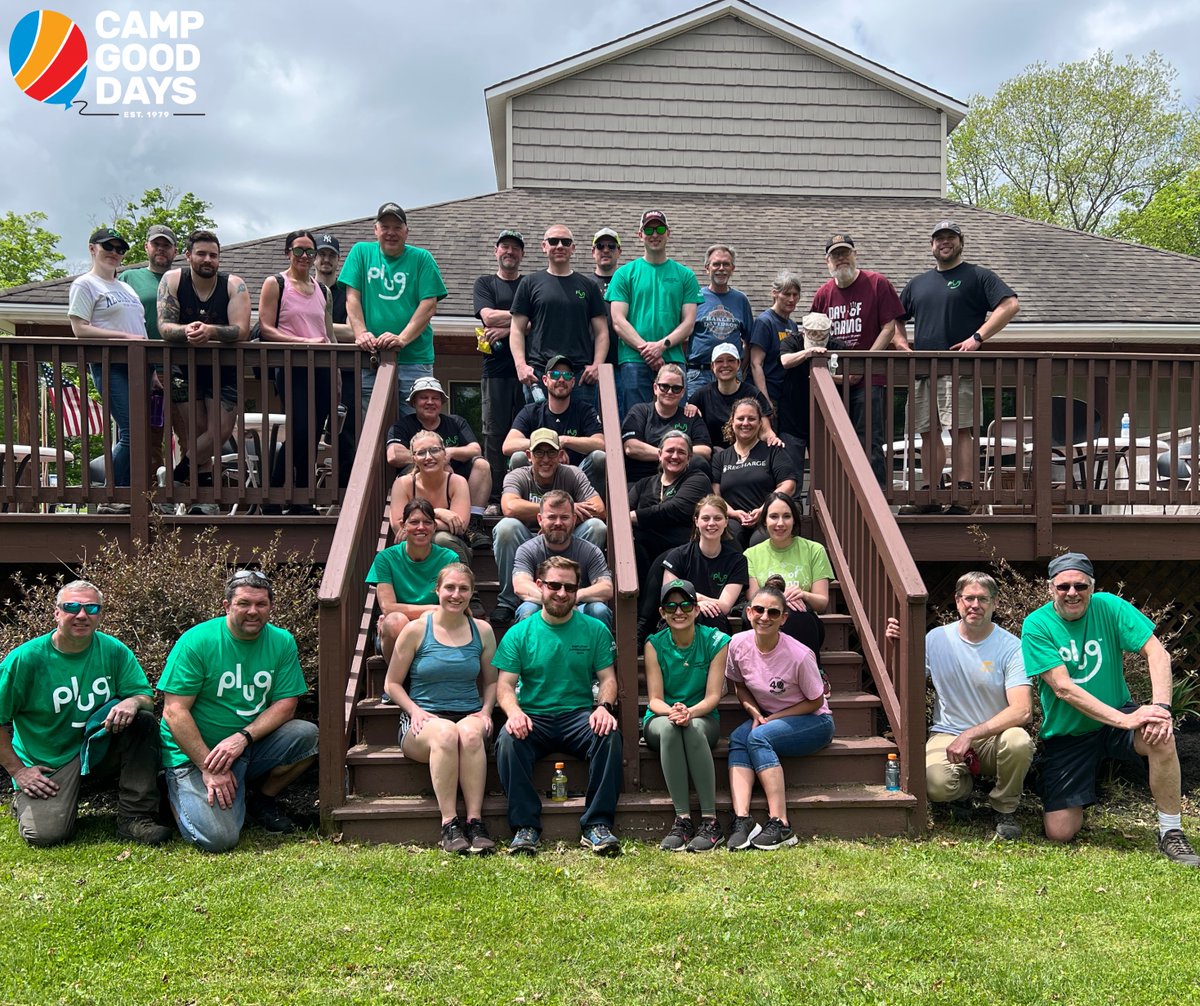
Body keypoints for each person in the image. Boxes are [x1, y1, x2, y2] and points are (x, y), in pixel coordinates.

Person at [1021, 552, 1199, 865]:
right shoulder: (1037, 625)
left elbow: (1158, 655)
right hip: (1069, 733)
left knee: (1161, 735)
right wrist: (1127, 719)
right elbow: (1063, 688)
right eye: (1063, 587)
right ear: (1051, 589)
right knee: (1060, 832)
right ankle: (1071, 792)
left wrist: (1160, 708)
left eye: (1080, 586)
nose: (1072, 593)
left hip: (1118, 716)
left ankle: (1171, 832)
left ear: (1091, 587)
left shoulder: (1109, 606)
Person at [0, 580, 170, 847]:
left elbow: (144, 697)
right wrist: (19, 771)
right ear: (57, 613)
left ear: (100, 614)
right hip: (49, 763)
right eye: (72, 607)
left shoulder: (113, 650)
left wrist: (133, 702)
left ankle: (135, 818)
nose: (82, 615)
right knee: (47, 835)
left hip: (97, 749)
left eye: (91, 608)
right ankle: (25, 800)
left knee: (142, 721)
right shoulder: (25, 660)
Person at [159, 570, 319, 852]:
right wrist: (208, 766)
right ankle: (173, 792)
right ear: (226, 606)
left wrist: (242, 737)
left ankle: (261, 798)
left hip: (246, 747)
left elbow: (286, 704)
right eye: (243, 603)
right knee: (219, 838)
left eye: (261, 604)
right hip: (194, 753)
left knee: (307, 736)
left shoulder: (281, 641)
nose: (253, 611)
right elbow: (174, 712)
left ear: (271, 607)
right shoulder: (197, 641)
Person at [885, 572, 1034, 840]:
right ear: (957, 602)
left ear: (995, 603)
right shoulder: (935, 639)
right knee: (935, 783)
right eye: (969, 598)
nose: (975, 604)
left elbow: (1022, 710)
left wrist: (971, 735)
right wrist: (897, 648)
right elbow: (907, 684)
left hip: (994, 737)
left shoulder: (1012, 647)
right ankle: (963, 793)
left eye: (982, 599)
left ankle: (1005, 808)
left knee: (1019, 742)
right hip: (947, 733)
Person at [494, 556, 622, 856]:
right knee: (507, 741)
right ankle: (525, 828)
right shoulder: (519, 633)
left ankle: (597, 826)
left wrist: (603, 707)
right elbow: (504, 686)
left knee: (609, 736)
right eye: (554, 585)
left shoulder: (595, 629)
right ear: (540, 586)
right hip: (533, 716)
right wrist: (514, 713)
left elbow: (608, 679)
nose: (562, 593)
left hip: (578, 716)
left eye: (569, 587)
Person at [899, 220, 1021, 511]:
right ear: (932, 245)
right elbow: (895, 319)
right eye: (939, 238)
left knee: (960, 428)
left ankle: (964, 492)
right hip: (923, 369)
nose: (945, 242)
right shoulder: (918, 284)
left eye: (950, 237)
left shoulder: (976, 276)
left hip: (960, 367)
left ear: (960, 242)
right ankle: (931, 492)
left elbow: (1010, 305)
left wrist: (977, 337)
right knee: (926, 431)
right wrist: (903, 347)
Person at [383, 563, 498, 854]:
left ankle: (475, 822)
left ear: (472, 593)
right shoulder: (416, 630)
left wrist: (486, 711)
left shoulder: (482, 631)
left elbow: (492, 682)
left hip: (469, 713)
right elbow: (392, 684)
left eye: (463, 589)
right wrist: (414, 711)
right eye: (449, 587)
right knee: (446, 733)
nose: (455, 594)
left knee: (470, 734)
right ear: (437, 590)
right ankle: (449, 824)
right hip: (424, 720)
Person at [725, 575, 834, 851]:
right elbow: (738, 684)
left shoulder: (800, 655)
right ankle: (742, 819)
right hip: (766, 716)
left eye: (773, 612)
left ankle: (781, 824)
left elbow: (815, 700)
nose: (765, 617)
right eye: (758, 610)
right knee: (739, 737)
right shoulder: (738, 643)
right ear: (748, 612)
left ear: (783, 618)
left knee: (759, 738)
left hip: (814, 720)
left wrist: (771, 720)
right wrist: (752, 712)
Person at [157, 229, 252, 512]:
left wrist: (210, 330)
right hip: (183, 368)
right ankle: (202, 501)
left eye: (213, 255)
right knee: (195, 431)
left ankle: (174, 478)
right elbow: (164, 326)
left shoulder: (233, 285)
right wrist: (187, 330)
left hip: (224, 369)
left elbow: (242, 330)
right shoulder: (173, 280)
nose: (207, 259)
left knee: (220, 432)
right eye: (201, 254)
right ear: (188, 256)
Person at [810, 233, 905, 489]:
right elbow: (814, 335)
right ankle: (839, 495)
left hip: (869, 379)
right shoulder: (823, 294)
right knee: (833, 440)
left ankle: (877, 498)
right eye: (835, 255)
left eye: (845, 253)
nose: (841, 259)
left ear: (855, 254)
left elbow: (889, 327)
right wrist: (834, 375)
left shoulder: (877, 283)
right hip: (833, 381)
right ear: (827, 261)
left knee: (869, 440)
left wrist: (864, 363)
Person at [644, 579, 730, 852]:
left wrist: (689, 713)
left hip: (703, 716)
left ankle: (710, 821)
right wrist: (675, 712)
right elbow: (655, 699)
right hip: (662, 717)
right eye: (670, 606)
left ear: (696, 609)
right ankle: (682, 820)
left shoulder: (716, 641)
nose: (678, 611)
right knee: (671, 729)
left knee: (691, 728)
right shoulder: (654, 644)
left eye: (685, 605)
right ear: (662, 612)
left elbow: (714, 696)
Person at [340, 202, 448, 417]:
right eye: (385, 227)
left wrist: (402, 339)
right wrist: (361, 334)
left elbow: (429, 305)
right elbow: (352, 297)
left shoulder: (422, 258)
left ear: (406, 232)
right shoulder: (361, 252)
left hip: (414, 359)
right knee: (372, 423)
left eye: (397, 227)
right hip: (371, 358)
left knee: (417, 425)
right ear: (376, 230)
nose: (391, 233)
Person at [490, 429, 606, 626]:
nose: (545, 459)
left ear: (560, 455)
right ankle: (508, 601)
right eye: (539, 453)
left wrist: (561, 520)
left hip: (566, 537)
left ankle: (576, 590)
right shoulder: (518, 475)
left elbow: (599, 508)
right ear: (528, 456)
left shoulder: (572, 474)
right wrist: (550, 515)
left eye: (551, 452)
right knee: (507, 528)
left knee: (596, 527)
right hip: (528, 541)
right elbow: (509, 506)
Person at [256, 229, 336, 514]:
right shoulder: (275, 283)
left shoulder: (323, 290)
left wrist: (336, 370)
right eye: (298, 250)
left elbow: (327, 334)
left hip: (322, 368)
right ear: (287, 253)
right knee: (300, 429)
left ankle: (299, 498)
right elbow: (265, 328)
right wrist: (303, 342)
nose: (304, 256)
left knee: (313, 434)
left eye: (309, 251)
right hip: (292, 366)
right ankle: (277, 497)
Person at [68, 227, 147, 491]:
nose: (114, 253)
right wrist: (123, 336)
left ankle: (123, 496)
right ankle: (105, 489)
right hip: (110, 366)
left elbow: (140, 329)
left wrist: (154, 373)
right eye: (108, 247)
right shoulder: (85, 284)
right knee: (131, 432)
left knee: (140, 433)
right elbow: (80, 329)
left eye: (120, 249)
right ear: (92, 249)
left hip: (140, 367)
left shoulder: (126, 287)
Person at [607, 210, 703, 413]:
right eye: (648, 229)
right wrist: (648, 350)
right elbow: (618, 320)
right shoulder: (624, 274)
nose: (654, 234)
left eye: (659, 228)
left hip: (673, 358)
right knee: (636, 421)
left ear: (668, 233)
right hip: (634, 360)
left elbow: (688, 323)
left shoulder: (685, 275)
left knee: (676, 424)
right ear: (639, 234)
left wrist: (661, 346)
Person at [509, 224, 608, 413]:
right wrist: (520, 365)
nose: (560, 246)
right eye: (554, 241)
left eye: (566, 242)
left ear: (573, 248)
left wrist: (597, 366)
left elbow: (602, 332)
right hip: (539, 374)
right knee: (539, 436)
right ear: (544, 246)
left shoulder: (588, 286)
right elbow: (517, 329)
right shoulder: (529, 284)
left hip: (580, 375)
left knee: (580, 436)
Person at [385, 377, 491, 549]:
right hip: (419, 475)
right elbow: (394, 455)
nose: (430, 402)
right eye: (423, 397)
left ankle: (473, 523)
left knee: (481, 465)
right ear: (413, 402)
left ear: (442, 402)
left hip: (455, 477)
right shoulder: (403, 425)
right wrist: (430, 460)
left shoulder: (455, 422)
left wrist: (448, 454)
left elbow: (475, 449)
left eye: (435, 398)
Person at [474, 229, 528, 514]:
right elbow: (487, 316)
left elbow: (537, 321)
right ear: (497, 251)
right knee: (494, 435)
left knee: (525, 434)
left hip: (526, 372)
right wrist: (520, 320)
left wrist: (507, 328)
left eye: (516, 248)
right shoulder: (485, 283)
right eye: (505, 247)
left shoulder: (529, 284)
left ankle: (521, 493)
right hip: (494, 372)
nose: (510, 252)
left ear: (522, 254)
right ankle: (495, 498)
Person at [120, 223, 178, 484]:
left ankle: (186, 491)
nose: (161, 249)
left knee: (187, 432)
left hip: (178, 366)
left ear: (175, 250)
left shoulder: (182, 279)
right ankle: (149, 494)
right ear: (147, 247)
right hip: (140, 367)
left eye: (166, 245)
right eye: (157, 244)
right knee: (148, 433)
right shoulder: (129, 279)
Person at [367, 499, 459, 661]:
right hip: (396, 632)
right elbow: (388, 608)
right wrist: (435, 608)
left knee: (428, 618)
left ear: (435, 527)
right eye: (414, 522)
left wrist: (434, 612)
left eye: (427, 522)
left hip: (435, 628)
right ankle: (396, 681)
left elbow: (452, 604)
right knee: (395, 620)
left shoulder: (449, 558)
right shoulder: (385, 558)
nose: (421, 527)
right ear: (403, 526)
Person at [511, 490, 614, 629]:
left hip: (578, 607)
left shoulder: (590, 550)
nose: (558, 523)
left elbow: (606, 588)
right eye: (552, 517)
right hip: (542, 607)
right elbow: (521, 586)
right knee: (527, 609)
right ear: (540, 520)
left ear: (574, 519)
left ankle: (600, 651)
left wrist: (575, 596)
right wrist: (556, 600)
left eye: (564, 517)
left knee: (599, 610)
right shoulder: (527, 550)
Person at [744, 492, 830, 655]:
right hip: (766, 621)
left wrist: (803, 594)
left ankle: (812, 673)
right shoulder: (751, 554)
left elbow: (822, 602)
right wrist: (780, 600)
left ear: (794, 520)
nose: (780, 523)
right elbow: (753, 598)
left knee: (795, 615)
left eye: (786, 516)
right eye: (774, 516)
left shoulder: (814, 550)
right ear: (764, 520)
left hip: (803, 621)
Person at [504, 353, 605, 486]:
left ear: (573, 382)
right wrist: (552, 444)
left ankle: (591, 505)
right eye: (555, 375)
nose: (561, 379)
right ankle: (524, 503)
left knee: (599, 457)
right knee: (518, 458)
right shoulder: (531, 411)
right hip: (539, 477)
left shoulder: (584, 410)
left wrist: (565, 441)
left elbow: (601, 444)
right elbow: (508, 445)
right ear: (545, 380)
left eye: (567, 375)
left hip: (576, 478)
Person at [655, 494, 749, 638]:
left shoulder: (737, 561)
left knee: (712, 616)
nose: (711, 523)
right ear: (696, 521)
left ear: (726, 522)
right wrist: (695, 603)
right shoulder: (678, 556)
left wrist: (691, 598)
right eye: (705, 518)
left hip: (714, 622)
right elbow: (669, 595)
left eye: (717, 518)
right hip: (679, 616)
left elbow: (724, 606)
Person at [712, 398, 797, 548]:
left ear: (759, 424)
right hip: (733, 518)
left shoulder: (773, 451)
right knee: (729, 536)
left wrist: (765, 509)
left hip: (766, 517)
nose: (746, 423)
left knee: (760, 541)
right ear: (732, 422)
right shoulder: (721, 457)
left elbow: (788, 484)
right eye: (740, 418)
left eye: (751, 419)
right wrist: (733, 513)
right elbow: (715, 494)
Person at [628, 430, 711, 585]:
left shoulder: (698, 479)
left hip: (681, 551)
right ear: (659, 454)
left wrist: (633, 517)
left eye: (681, 452)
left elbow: (675, 509)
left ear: (689, 458)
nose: (674, 456)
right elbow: (624, 511)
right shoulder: (643, 484)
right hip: (645, 552)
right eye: (670, 451)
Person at [778, 312, 846, 498]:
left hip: (824, 422)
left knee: (824, 473)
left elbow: (854, 377)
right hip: (793, 419)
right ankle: (794, 511)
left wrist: (827, 379)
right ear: (803, 332)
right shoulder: (792, 342)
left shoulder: (838, 346)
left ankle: (821, 507)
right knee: (792, 473)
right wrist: (809, 353)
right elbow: (785, 361)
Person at [311, 233, 358, 489]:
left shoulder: (346, 292)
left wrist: (315, 327)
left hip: (346, 372)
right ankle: (303, 490)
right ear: (313, 258)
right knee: (308, 430)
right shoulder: (305, 289)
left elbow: (353, 331)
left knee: (345, 434)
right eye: (321, 254)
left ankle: (343, 493)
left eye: (331, 255)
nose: (325, 259)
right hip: (310, 372)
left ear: (338, 260)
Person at [388, 431, 472, 565]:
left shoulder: (457, 482)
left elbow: (459, 526)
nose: (428, 457)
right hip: (415, 547)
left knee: (440, 539)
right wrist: (439, 513)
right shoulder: (403, 484)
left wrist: (416, 523)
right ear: (414, 458)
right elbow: (399, 525)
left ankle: (457, 582)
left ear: (444, 454)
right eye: (421, 453)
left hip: (452, 547)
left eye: (434, 450)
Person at [620, 363, 712, 482]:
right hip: (642, 481)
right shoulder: (640, 411)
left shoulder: (690, 416)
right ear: (655, 388)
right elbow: (631, 447)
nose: (669, 392)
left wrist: (671, 455)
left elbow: (705, 450)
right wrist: (668, 455)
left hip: (680, 482)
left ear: (683, 392)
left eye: (676, 388)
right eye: (664, 386)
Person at [686, 245, 754, 401]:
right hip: (698, 374)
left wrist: (740, 369)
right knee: (695, 421)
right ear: (707, 268)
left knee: (731, 421)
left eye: (726, 264)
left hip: (731, 374)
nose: (721, 268)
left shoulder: (741, 300)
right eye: (716, 264)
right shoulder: (695, 298)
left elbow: (749, 341)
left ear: (733, 268)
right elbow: (684, 337)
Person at [689, 342, 779, 450]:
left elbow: (766, 432)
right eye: (719, 361)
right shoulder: (700, 396)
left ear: (738, 364)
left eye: (731, 360)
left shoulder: (754, 394)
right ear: (712, 366)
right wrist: (689, 407)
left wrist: (772, 439)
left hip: (747, 455)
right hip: (712, 456)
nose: (725, 365)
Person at [748, 271, 801, 407]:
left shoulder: (792, 325)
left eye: (795, 295)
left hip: (787, 396)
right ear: (774, 293)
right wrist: (764, 400)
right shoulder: (765, 322)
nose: (791, 299)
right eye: (786, 294)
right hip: (769, 394)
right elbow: (756, 364)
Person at [591, 227, 623, 375]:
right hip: (591, 365)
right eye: (600, 246)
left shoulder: (628, 282)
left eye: (611, 246)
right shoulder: (584, 284)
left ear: (619, 251)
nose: (605, 250)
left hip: (623, 362)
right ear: (593, 252)